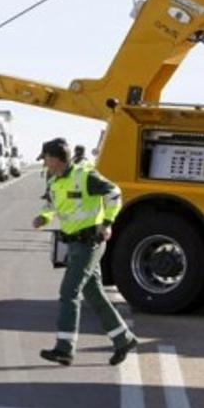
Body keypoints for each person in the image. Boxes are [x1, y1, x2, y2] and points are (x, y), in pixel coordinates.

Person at [32, 137, 138, 366]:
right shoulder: (54, 181)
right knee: (94, 294)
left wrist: (107, 223)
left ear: (56, 158)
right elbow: (51, 205)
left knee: (68, 292)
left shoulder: (85, 176)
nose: (45, 164)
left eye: (46, 159)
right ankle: (123, 339)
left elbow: (114, 193)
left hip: (90, 243)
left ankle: (64, 348)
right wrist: (44, 217)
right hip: (73, 244)